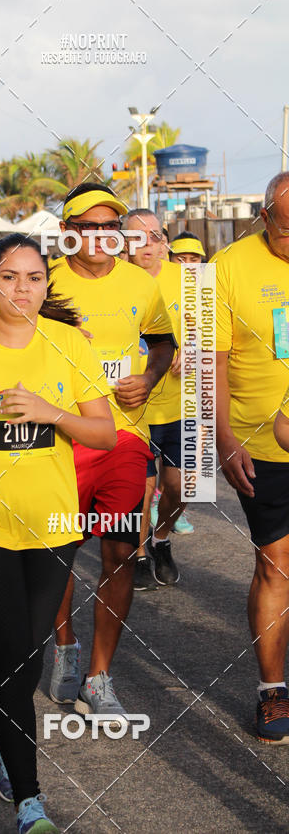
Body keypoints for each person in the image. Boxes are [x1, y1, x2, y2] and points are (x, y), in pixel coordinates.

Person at [0, 232, 115, 834]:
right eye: (9, 277)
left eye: (34, 277)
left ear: (46, 284)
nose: (22, 289)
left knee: (28, 655)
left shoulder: (69, 347)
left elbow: (104, 435)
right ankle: (29, 801)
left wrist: (49, 412)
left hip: (51, 522)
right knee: (11, 659)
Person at [47, 183, 175, 715]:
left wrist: (147, 376)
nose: (101, 236)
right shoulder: (41, 282)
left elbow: (163, 342)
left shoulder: (141, 285)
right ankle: (65, 648)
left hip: (124, 437)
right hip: (57, 441)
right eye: (89, 226)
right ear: (68, 233)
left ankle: (99, 677)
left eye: (110, 227)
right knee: (57, 554)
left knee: (120, 552)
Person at [213, 171, 289, 744]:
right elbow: (210, 360)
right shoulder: (228, 268)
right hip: (260, 446)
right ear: (265, 217)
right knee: (275, 565)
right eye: (287, 232)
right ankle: (272, 691)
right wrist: (223, 436)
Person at [126, 209, 192, 590]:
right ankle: (136, 554)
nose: (147, 244)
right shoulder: (118, 282)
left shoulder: (190, 281)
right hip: (133, 406)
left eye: (154, 235)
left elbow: (214, 334)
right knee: (140, 487)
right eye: (137, 238)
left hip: (182, 402)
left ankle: (161, 539)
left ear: (165, 240)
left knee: (183, 486)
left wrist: (192, 351)